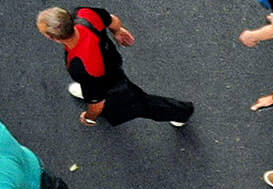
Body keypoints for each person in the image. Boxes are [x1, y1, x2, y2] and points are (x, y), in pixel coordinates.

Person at [44, 7, 193, 128]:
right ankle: (87, 90)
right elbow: (112, 20)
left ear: (52, 38)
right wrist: (118, 31)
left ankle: (180, 112)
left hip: (107, 84)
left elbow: (97, 104)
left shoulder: (81, 66)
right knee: (96, 88)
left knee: (141, 104)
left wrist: (89, 117)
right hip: (110, 60)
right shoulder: (84, 14)